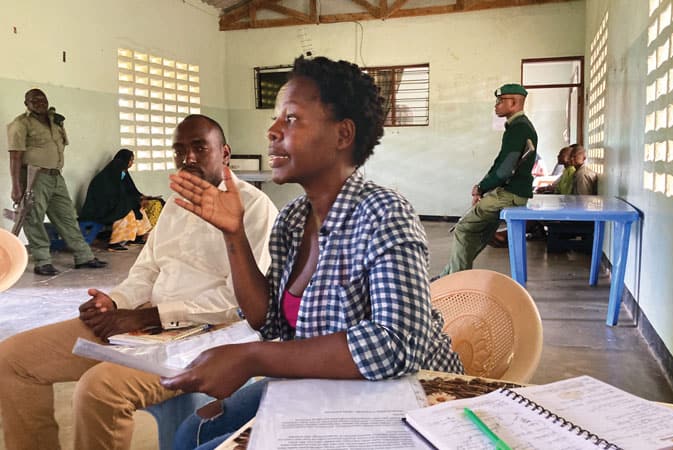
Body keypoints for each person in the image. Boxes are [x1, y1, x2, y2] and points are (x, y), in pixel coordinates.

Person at [162, 56, 464, 450]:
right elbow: (271, 323)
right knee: (189, 433)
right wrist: (232, 233)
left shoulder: (385, 213)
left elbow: (395, 345)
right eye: (275, 119)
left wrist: (252, 358)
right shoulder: (292, 220)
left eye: (290, 120)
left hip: (407, 397)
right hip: (324, 388)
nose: (271, 131)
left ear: (343, 135)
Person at [0, 114, 279, 450]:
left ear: (225, 153)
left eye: (199, 148)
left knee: (98, 390)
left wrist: (149, 317)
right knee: (12, 360)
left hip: (208, 338)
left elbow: (238, 305)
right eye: (179, 151)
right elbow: (146, 270)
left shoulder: (255, 207)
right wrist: (114, 302)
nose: (187, 158)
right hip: (143, 324)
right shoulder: (177, 203)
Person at [440, 83, 538, 276]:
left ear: (513, 102)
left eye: (500, 101)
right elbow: (500, 164)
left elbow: (504, 170)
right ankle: (452, 274)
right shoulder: (519, 126)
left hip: (509, 194)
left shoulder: (518, 128)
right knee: (482, 232)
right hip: (513, 192)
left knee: (464, 228)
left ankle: (455, 278)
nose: (496, 105)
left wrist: (481, 188)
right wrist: (483, 187)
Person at [7, 88, 107, 275]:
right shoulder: (21, 124)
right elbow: (15, 156)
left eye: (42, 99)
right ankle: (43, 261)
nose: (39, 103)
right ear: (26, 104)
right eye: (33, 100)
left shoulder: (55, 121)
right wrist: (16, 186)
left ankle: (83, 256)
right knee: (34, 218)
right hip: (33, 177)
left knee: (67, 217)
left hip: (55, 177)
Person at [80, 148, 152, 251]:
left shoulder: (122, 173)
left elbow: (129, 190)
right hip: (100, 209)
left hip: (112, 204)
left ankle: (138, 236)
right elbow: (111, 196)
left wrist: (140, 197)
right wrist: (134, 200)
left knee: (137, 206)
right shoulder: (108, 175)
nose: (132, 163)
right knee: (127, 211)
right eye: (131, 160)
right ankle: (114, 243)